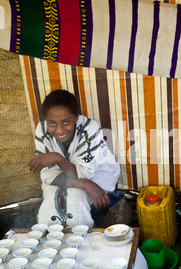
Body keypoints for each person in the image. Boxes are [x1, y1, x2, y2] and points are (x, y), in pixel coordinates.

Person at [28, 89, 120, 228]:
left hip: (96, 176)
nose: (59, 130)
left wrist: (56, 158)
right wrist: (83, 184)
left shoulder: (89, 129)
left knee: (76, 201)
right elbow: (48, 175)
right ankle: (53, 246)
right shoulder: (42, 131)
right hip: (63, 179)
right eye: (52, 123)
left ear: (76, 117)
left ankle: (81, 241)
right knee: (50, 205)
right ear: (45, 120)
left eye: (66, 122)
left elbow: (84, 174)